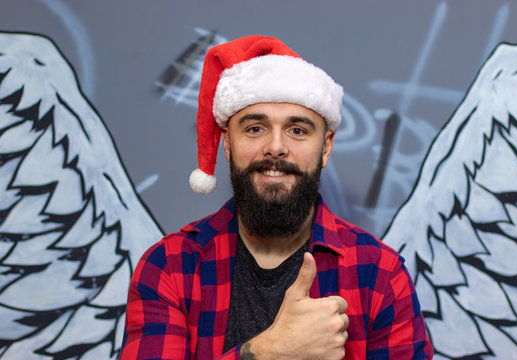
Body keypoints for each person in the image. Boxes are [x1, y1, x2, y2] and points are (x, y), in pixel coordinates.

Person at [120, 35, 433, 360]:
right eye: (255, 128)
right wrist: (269, 352)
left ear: (326, 147)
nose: (275, 146)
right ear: (227, 144)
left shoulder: (380, 274)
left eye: (297, 130)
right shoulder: (170, 267)